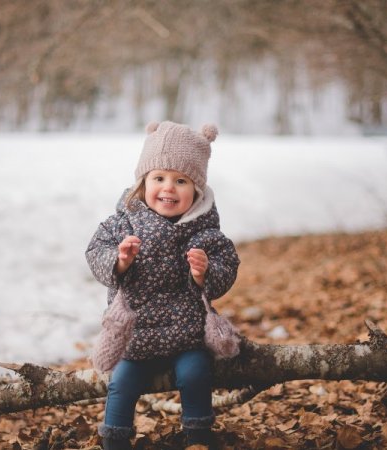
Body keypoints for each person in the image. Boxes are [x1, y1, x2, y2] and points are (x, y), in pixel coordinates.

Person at [85, 121, 240, 450]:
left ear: (195, 190)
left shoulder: (204, 230)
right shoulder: (125, 221)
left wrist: (204, 274)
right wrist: (120, 260)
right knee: (122, 384)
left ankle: (198, 437)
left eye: (180, 180)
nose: (168, 188)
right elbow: (96, 251)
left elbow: (228, 263)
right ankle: (114, 440)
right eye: (159, 178)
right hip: (136, 337)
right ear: (142, 183)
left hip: (187, 336)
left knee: (195, 375)